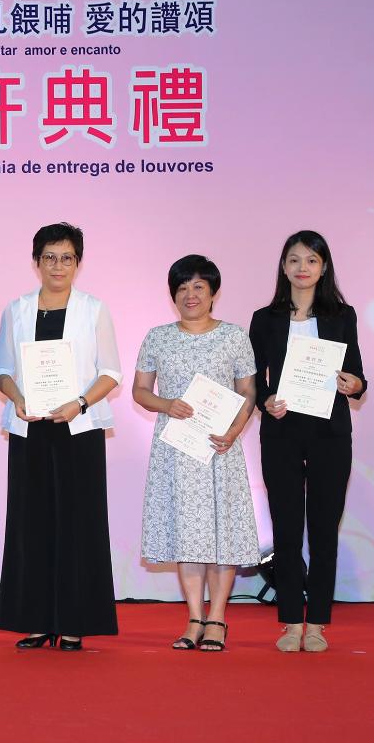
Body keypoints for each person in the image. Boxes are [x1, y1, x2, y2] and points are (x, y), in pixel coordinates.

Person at [0, 223, 120, 651]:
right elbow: (2, 370)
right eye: (49, 257)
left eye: (66, 258)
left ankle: (74, 621)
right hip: (30, 429)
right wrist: (17, 398)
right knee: (31, 524)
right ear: (36, 262)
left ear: (78, 263)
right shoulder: (17, 309)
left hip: (78, 429)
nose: (58, 266)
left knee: (80, 525)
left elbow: (111, 372)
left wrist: (79, 404)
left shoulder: (94, 309)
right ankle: (36, 620)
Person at [133, 254, 259, 652]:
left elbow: (248, 391)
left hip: (220, 448)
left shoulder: (235, 336)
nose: (191, 295)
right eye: (183, 287)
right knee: (186, 534)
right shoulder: (157, 337)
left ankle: (217, 618)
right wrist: (167, 404)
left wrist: (234, 431)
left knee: (222, 533)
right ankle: (193, 618)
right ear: (173, 294)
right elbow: (140, 391)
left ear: (213, 292)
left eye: (199, 287)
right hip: (176, 451)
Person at [250, 231, 367, 652]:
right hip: (281, 433)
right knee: (285, 528)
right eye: (295, 260)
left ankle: (316, 622)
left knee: (323, 530)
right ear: (284, 267)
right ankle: (289, 623)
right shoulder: (265, 318)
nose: (303, 267)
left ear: (323, 267)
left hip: (329, 434)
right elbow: (253, 379)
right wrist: (266, 400)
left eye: (312, 260)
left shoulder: (342, 315)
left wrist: (353, 384)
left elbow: (357, 375)